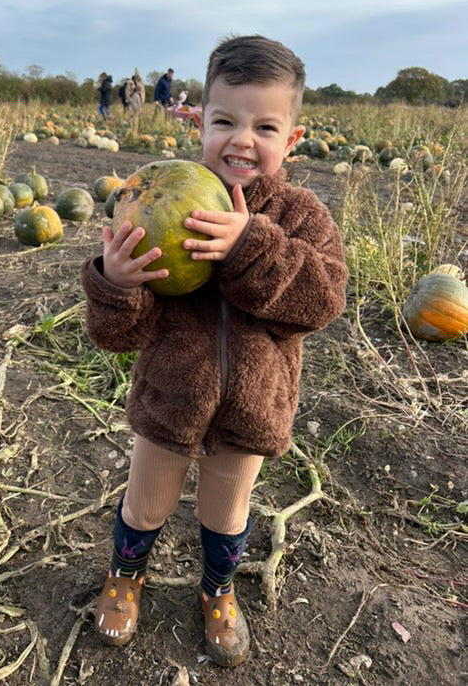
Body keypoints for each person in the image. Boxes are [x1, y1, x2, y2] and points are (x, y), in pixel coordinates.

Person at [80, 35, 348, 667]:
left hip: (252, 410)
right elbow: (119, 336)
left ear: (292, 138)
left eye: (264, 125)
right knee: (145, 502)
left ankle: (219, 590)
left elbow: (323, 298)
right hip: (169, 400)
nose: (241, 139)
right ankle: (125, 578)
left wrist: (250, 244)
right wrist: (117, 285)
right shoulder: (157, 200)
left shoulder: (300, 215)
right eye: (225, 120)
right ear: (199, 122)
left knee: (226, 513)